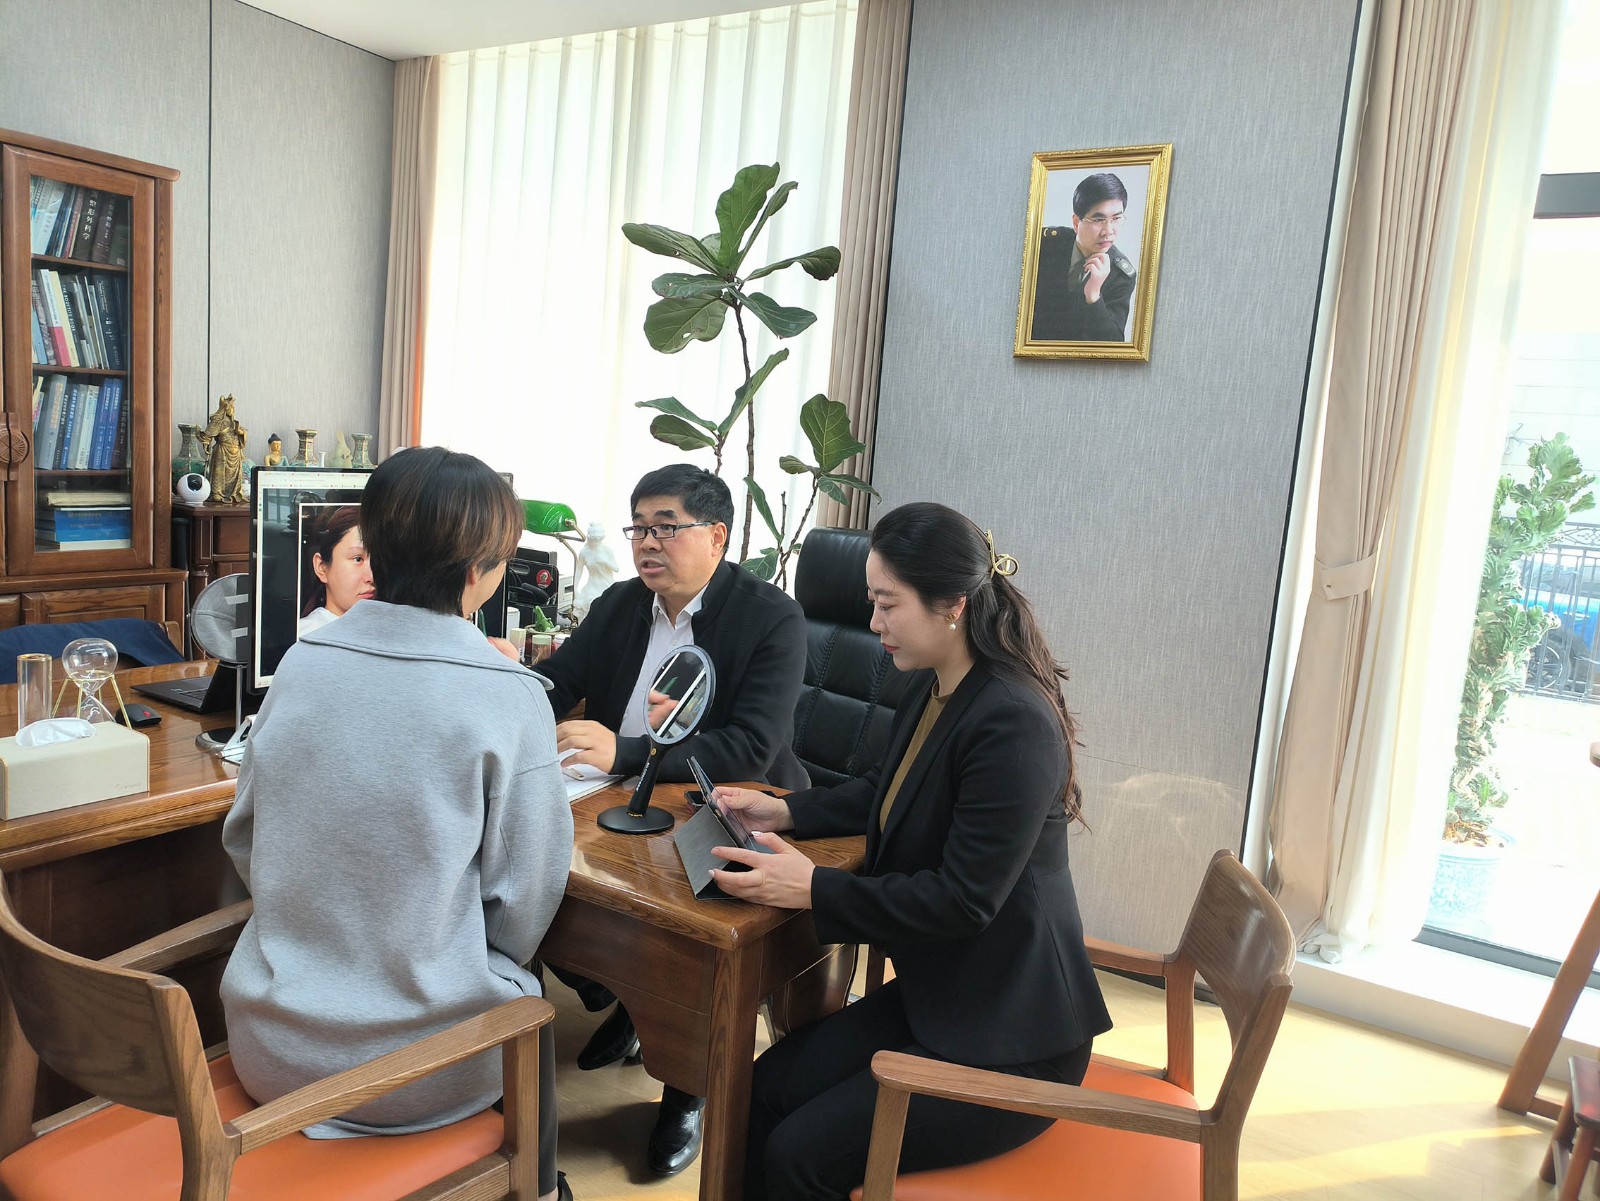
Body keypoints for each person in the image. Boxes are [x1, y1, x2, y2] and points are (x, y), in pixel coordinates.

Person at [709, 501, 1113, 1201]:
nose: (873, 622)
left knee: (798, 1156)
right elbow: (888, 787)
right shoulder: (937, 684)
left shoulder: (1012, 720)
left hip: (1013, 1040)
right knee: (759, 1092)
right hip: (944, 997)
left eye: (887, 604)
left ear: (952, 605)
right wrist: (787, 808)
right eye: (872, 601)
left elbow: (963, 900)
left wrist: (814, 888)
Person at [220, 447, 574, 1201]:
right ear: (480, 571)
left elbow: (244, 837)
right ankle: (537, 1186)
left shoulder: (302, 662)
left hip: (269, 1049)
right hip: (415, 1074)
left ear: (374, 551)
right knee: (530, 996)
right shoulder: (508, 694)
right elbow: (527, 898)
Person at [535, 462, 809, 1177]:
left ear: (717, 535)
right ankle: (628, 995)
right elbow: (558, 683)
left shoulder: (771, 618)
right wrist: (505, 690)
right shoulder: (623, 603)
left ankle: (686, 1091)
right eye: (638, 528)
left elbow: (752, 746)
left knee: (688, 940)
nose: (646, 543)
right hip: (613, 795)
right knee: (523, 863)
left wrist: (627, 749)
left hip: (718, 804)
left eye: (665, 527)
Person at [1029, 172, 1137, 343]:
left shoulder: (1121, 275)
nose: (1108, 231)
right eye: (1098, 219)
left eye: (1116, 218)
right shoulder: (1044, 244)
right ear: (1076, 222)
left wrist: (1093, 296)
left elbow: (1113, 344)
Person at [297, 504, 374, 636]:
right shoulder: (304, 637)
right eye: (358, 559)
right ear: (321, 568)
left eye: (378, 560)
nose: (371, 577)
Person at [198, 392, 248, 503]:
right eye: (231, 407)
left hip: (235, 454)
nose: (233, 409)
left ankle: (234, 494)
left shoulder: (234, 423)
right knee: (219, 473)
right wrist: (206, 443)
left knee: (235, 476)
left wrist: (240, 432)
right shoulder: (218, 421)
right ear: (225, 408)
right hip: (222, 451)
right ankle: (217, 493)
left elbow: (243, 434)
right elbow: (207, 435)